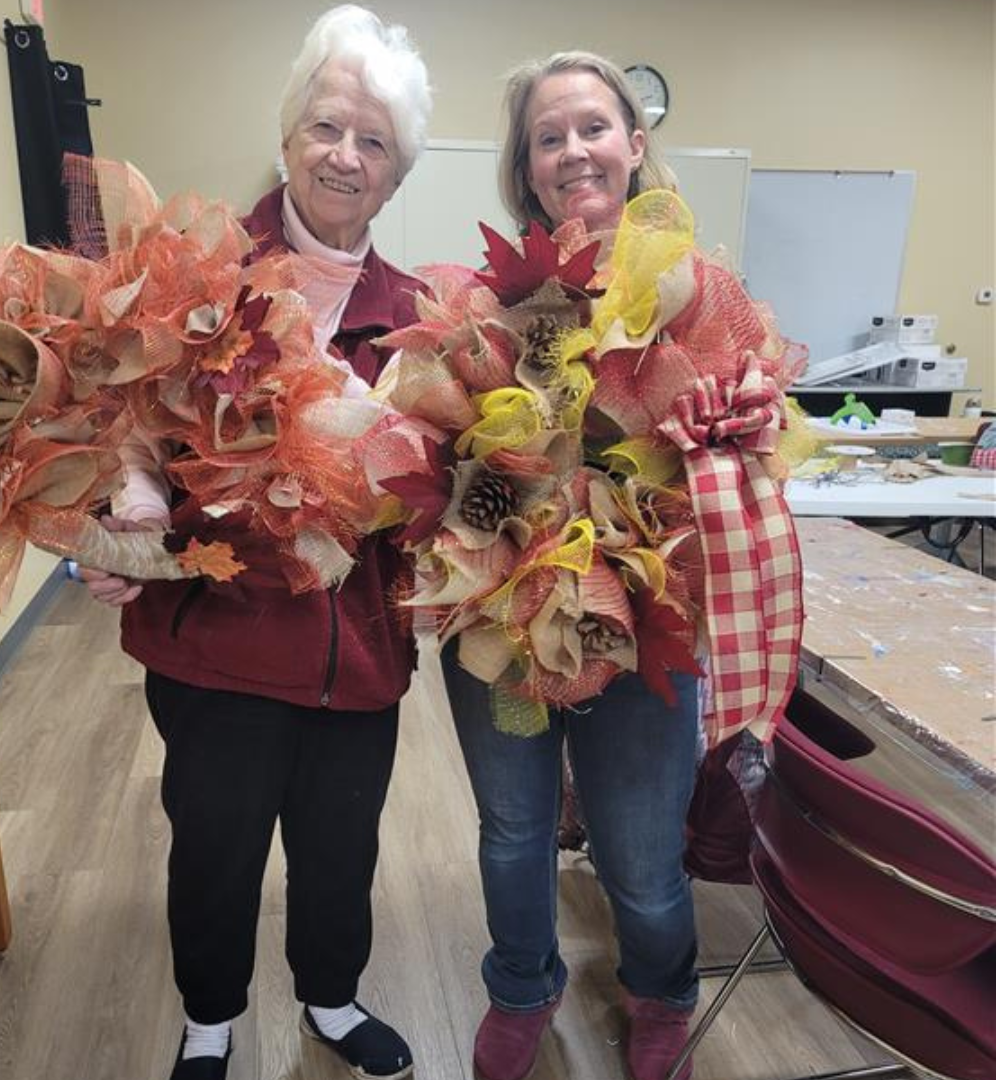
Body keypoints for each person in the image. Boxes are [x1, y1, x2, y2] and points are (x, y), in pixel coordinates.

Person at [79, 8, 431, 1079]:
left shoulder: (418, 318)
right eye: (329, 127)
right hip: (220, 643)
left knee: (341, 849)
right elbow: (125, 428)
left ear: (397, 173)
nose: (347, 156)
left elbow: (436, 491)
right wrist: (125, 511)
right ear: (287, 139)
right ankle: (210, 1020)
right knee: (217, 849)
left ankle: (330, 998)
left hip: (356, 655)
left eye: (375, 142)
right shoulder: (203, 279)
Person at [441, 52, 700, 1080]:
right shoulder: (495, 302)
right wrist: (503, 490)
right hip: (507, 631)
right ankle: (522, 984)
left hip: (641, 628)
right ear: (526, 169)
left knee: (640, 859)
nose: (572, 150)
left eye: (593, 127)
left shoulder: (693, 293)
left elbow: (723, 465)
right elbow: (453, 478)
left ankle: (661, 990)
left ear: (635, 146)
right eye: (548, 137)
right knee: (512, 828)